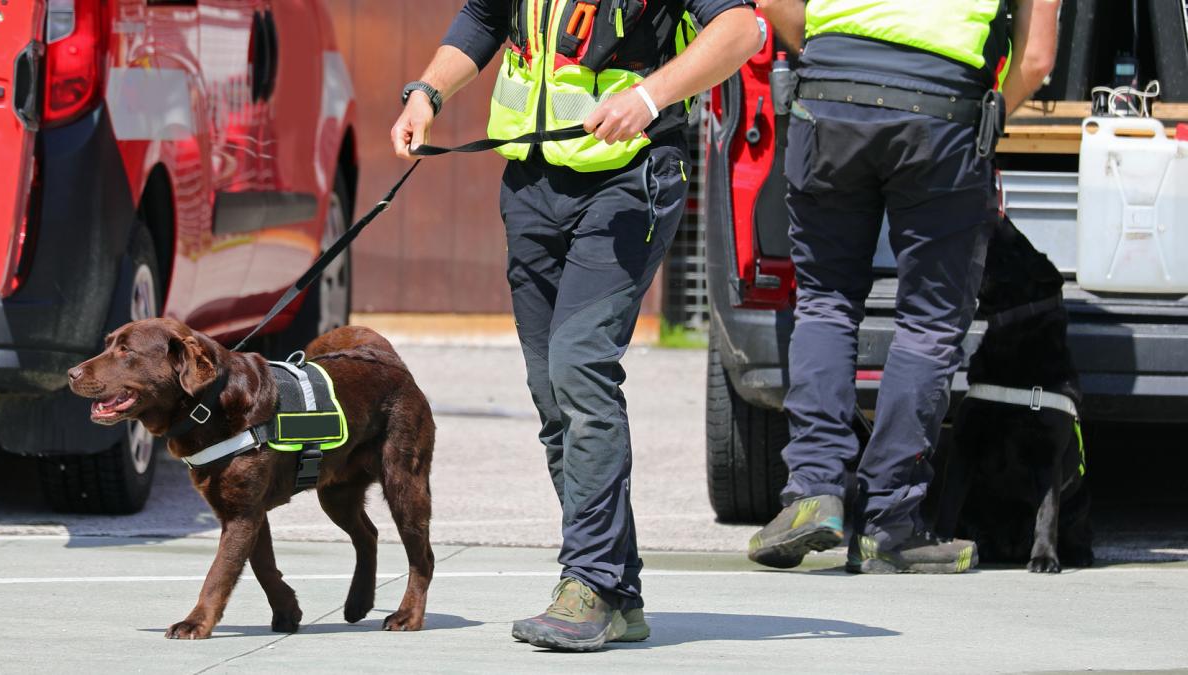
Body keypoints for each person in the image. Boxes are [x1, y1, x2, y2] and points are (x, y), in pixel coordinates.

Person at [392, 0, 761, 651]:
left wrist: (650, 96)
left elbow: (743, 29)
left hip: (631, 175)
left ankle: (588, 580)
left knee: (579, 365)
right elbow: (481, 20)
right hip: (532, 182)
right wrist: (427, 93)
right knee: (551, 389)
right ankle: (617, 592)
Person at [747, 0, 1062, 574]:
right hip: (942, 112)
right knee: (929, 324)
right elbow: (1036, 57)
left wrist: (829, 68)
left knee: (825, 303)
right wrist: (987, 116)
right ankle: (889, 522)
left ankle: (814, 490)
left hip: (829, 102)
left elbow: (775, 6)